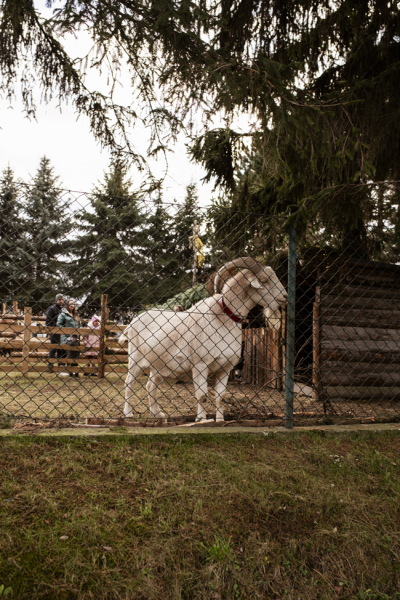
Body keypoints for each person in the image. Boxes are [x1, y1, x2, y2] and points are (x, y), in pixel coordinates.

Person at [57, 300, 81, 377]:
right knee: (64, 352)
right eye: (70, 303)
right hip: (66, 336)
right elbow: (59, 324)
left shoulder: (76, 314)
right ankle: (62, 370)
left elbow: (78, 325)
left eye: (73, 304)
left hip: (75, 336)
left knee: (74, 353)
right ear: (67, 305)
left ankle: (73, 370)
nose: (72, 305)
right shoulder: (63, 314)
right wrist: (65, 331)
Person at [46, 294, 65, 370]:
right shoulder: (52, 309)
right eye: (59, 299)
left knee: (62, 349)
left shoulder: (63, 310)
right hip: (54, 332)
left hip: (62, 332)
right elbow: (48, 322)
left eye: (62, 299)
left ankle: (60, 366)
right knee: (53, 349)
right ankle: (50, 366)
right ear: (56, 300)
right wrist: (52, 330)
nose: (61, 301)